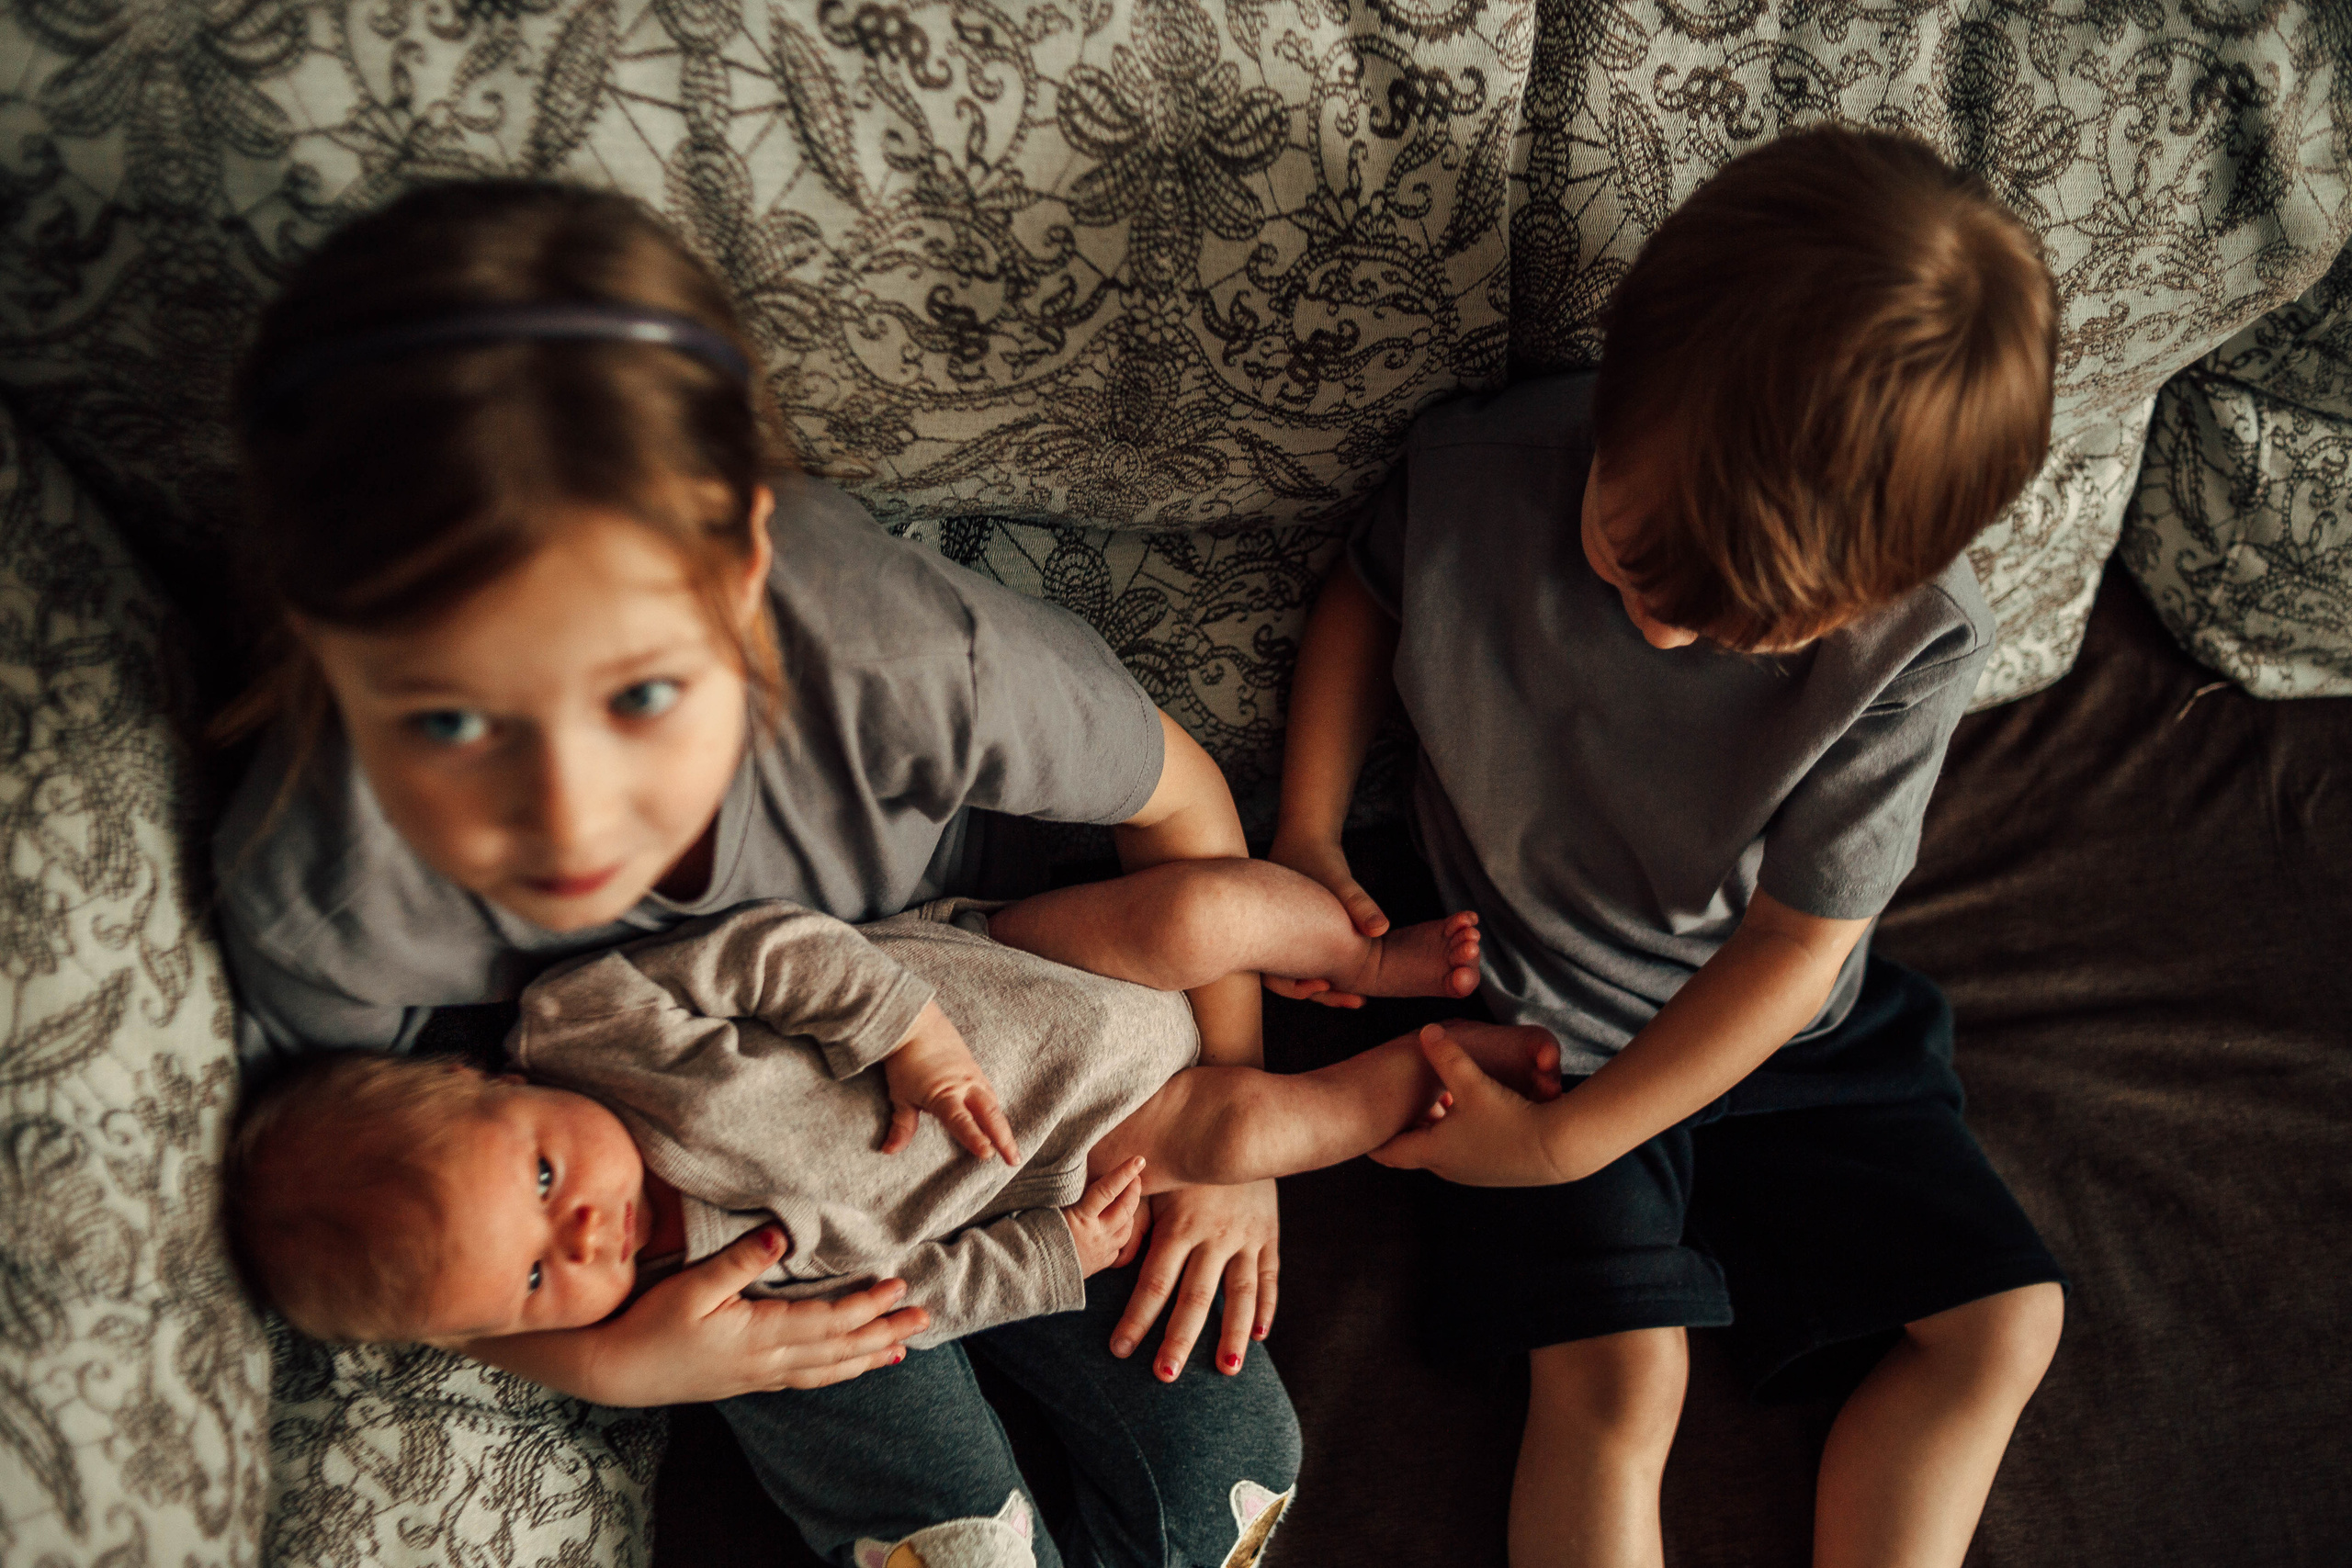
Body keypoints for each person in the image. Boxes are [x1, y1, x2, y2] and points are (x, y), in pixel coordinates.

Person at [213, 178, 1290, 1568]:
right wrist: (602, 1363)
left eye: (641, 696)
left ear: (737, 576)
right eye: (451, 723)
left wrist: (1233, 1136)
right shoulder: (324, 901)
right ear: (331, 655)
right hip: (730, 1213)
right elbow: (371, 1240)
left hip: (1011, 1061)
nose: (567, 822)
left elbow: (1184, 799)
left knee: (1230, 1481)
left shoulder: (901, 664)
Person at [1269, 125, 2071, 1568]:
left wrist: (1568, 1150)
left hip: (1785, 1028)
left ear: (1878, 586)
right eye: (1635, 564)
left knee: (2009, 1324)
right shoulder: (1484, 467)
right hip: (1539, 1018)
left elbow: (1797, 948)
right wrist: (1308, 834)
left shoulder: (1919, 641)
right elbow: (1365, 599)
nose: (1661, 630)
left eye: (1744, 629)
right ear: (1620, 394)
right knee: (1623, 1379)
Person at [230, 861, 1529, 1359]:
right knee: (1245, 1137)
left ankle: (1362, 959)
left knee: (1199, 915)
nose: (579, 1239)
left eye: (539, 1181)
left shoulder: (587, 1028)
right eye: (530, 1280)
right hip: (1076, 1145)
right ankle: (1413, 1082)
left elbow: (770, 955)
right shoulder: (700, 1306)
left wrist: (904, 1036)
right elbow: (904, 1309)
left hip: (1009, 971)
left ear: (488, 1084)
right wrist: (1050, 1257)